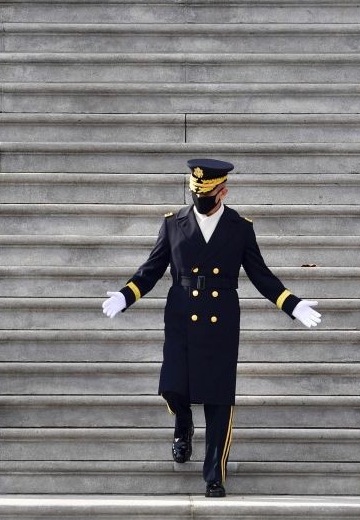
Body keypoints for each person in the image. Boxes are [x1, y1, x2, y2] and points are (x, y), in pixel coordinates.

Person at [102, 158, 322, 497]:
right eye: (195, 192)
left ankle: (214, 474)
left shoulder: (239, 227)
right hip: (181, 315)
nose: (200, 199)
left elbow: (261, 275)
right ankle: (183, 421)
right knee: (173, 385)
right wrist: (125, 294)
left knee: (219, 398)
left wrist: (292, 304)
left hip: (221, 319)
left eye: (207, 193)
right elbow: (152, 268)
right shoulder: (174, 223)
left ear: (222, 192)